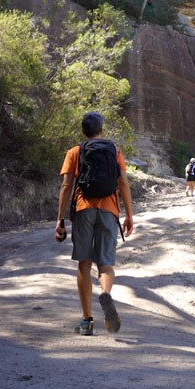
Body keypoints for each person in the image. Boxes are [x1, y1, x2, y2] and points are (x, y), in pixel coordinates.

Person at [55, 111, 134, 336]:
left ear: (83, 131)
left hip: (83, 209)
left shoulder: (75, 152)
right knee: (106, 264)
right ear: (101, 131)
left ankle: (87, 321)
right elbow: (124, 184)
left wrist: (60, 219)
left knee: (84, 264)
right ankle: (106, 292)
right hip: (109, 211)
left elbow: (66, 187)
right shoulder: (115, 151)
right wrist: (128, 215)